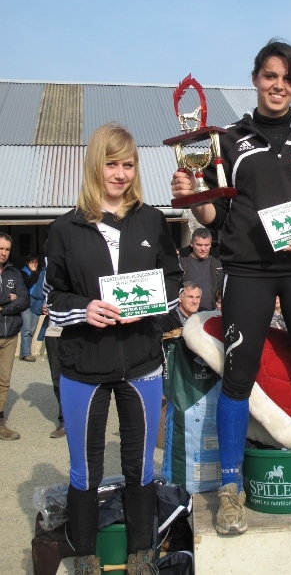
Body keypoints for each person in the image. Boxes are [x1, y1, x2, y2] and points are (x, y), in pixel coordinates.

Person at [171, 39, 291, 536]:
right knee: (238, 376)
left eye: (288, 79)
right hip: (247, 269)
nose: (278, 86)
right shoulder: (229, 139)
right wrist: (193, 198)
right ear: (255, 79)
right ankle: (231, 489)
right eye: (270, 76)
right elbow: (217, 214)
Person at [45, 124, 183, 575]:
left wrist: (151, 305)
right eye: (111, 164)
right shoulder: (64, 228)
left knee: (140, 465)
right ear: (95, 165)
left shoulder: (152, 220)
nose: (120, 174)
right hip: (83, 364)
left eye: (128, 164)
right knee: (84, 468)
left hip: (141, 361)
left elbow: (174, 283)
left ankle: (142, 552)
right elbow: (51, 297)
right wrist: (84, 309)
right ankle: (84, 554)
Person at [30, 260, 66, 437]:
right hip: (53, 333)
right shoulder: (45, 274)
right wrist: (40, 306)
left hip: (78, 332)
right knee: (58, 378)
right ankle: (64, 420)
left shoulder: (79, 268)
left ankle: (83, 417)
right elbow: (34, 299)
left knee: (82, 376)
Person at [0, 233, 29, 440]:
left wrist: (3, 309)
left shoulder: (14, 273)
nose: (3, 253)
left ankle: (0, 423)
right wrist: (7, 297)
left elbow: (24, 299)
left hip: (10, 335)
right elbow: (14, 298)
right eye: (0, 248)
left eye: (7, 249)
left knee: (3, 381)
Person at [179, 228, 222, 311]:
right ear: (191, 243)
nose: (203, 249)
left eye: (206, 245)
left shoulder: (218, 263)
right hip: (188, 313)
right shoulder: (181, 263)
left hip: (213, 312)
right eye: (199, 245)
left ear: (211, 244)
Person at [19, 254, 40, 361]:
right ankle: (26, 354)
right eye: (32, 262)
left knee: (32, 329)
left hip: (36, 303)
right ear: (28, 263)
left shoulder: (39, 273)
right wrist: (34, 272)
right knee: (26, 329)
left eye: (35, 262)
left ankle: (26, 351)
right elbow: (28, 283)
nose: (34, 264)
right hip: (26, 303)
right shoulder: (22, 273)